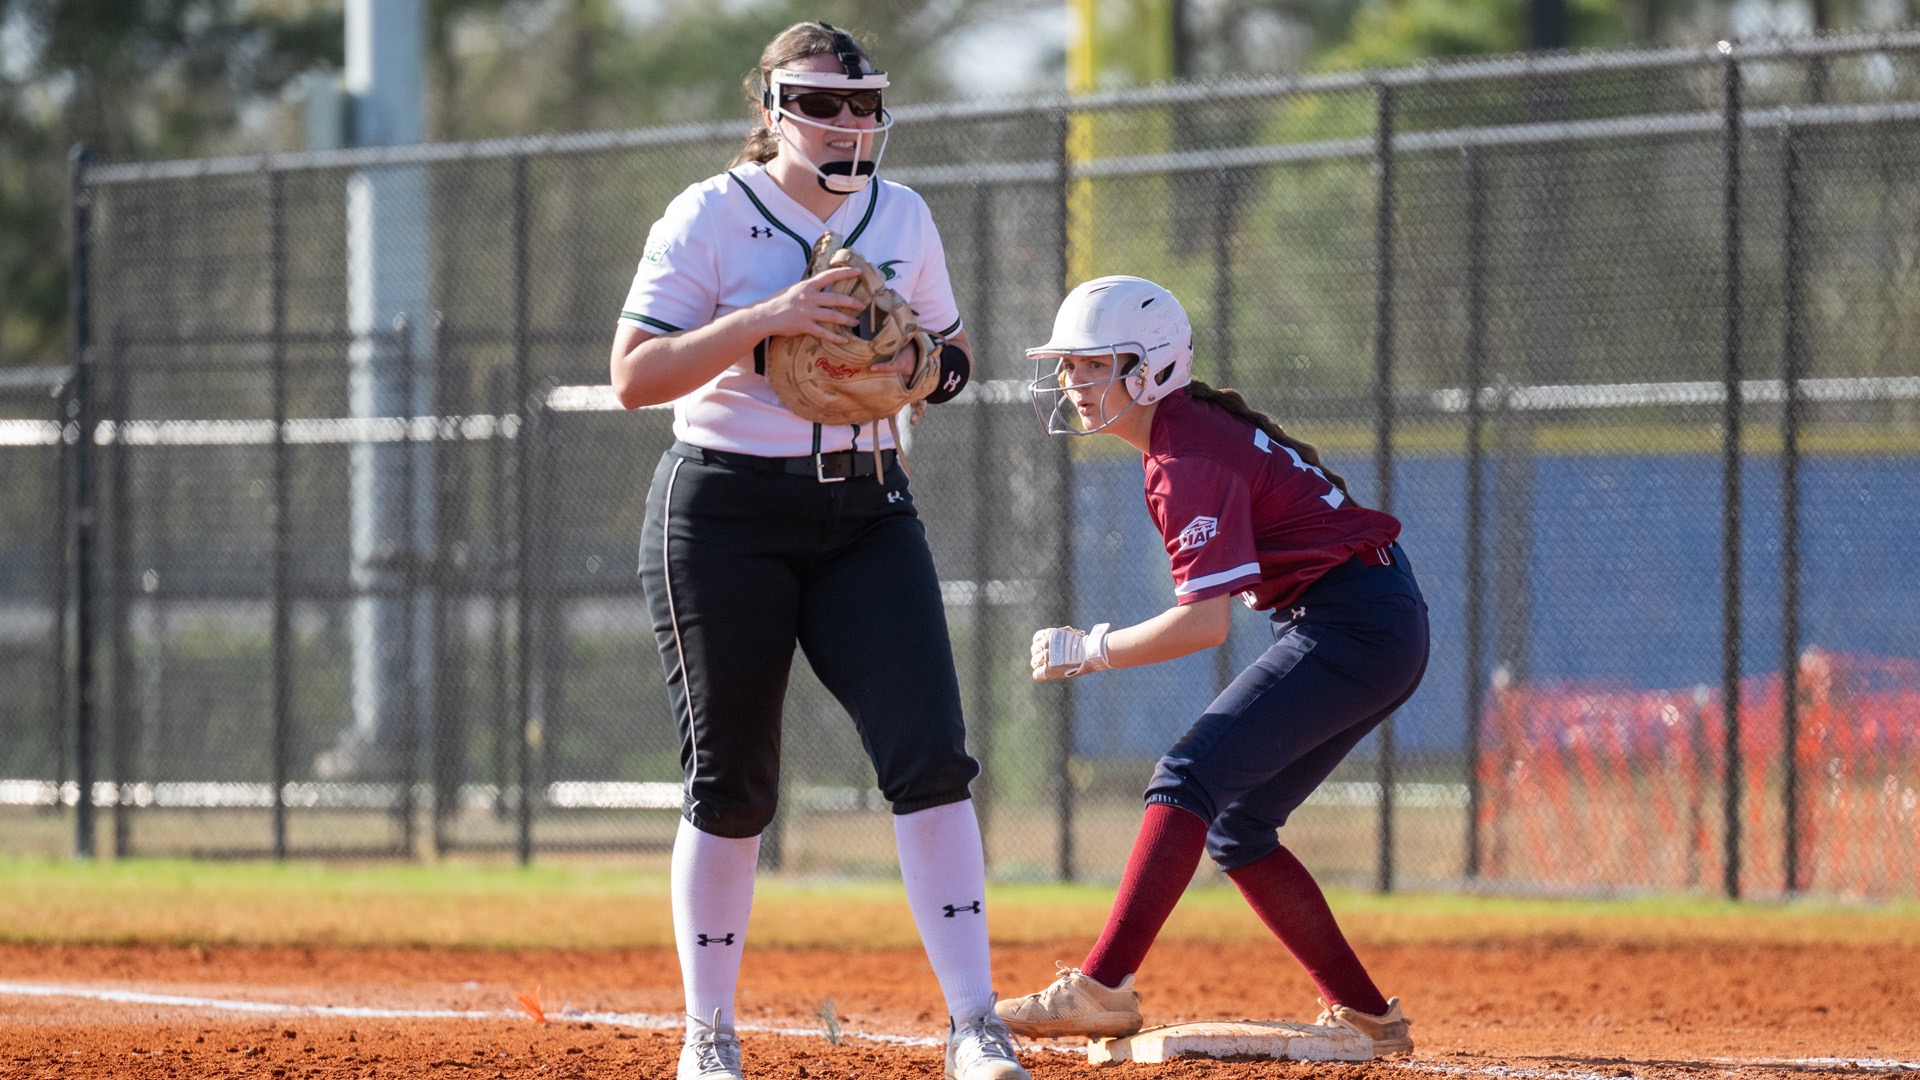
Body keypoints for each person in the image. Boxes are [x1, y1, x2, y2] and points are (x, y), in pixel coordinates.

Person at [608, 22, 1026, 1080]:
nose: (849, 122)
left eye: (864, 102)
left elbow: (957, 356)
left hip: (869, 508)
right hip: (724, 510)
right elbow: (635, 374)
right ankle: (708, 1035)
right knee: (733, 783)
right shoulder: (712, 211)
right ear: (772, 109)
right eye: (823, 101)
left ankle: (975, 1026)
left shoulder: (905, 214)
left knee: (932, 760)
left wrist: (917, 364)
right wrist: (771, 320)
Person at [994, 276, 1429, 1057]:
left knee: (1186, 777)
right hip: (1369, 617)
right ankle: (1368, 1015)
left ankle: (1101, 988)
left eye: (1091, 365)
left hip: (1356, 623)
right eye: (1068, 366)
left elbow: (1204, 623)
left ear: (1148, 368)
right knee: (1240, 826)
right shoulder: (1183, 436)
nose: (1071, 383)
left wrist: (1089, 648)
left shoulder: (1184, 452)